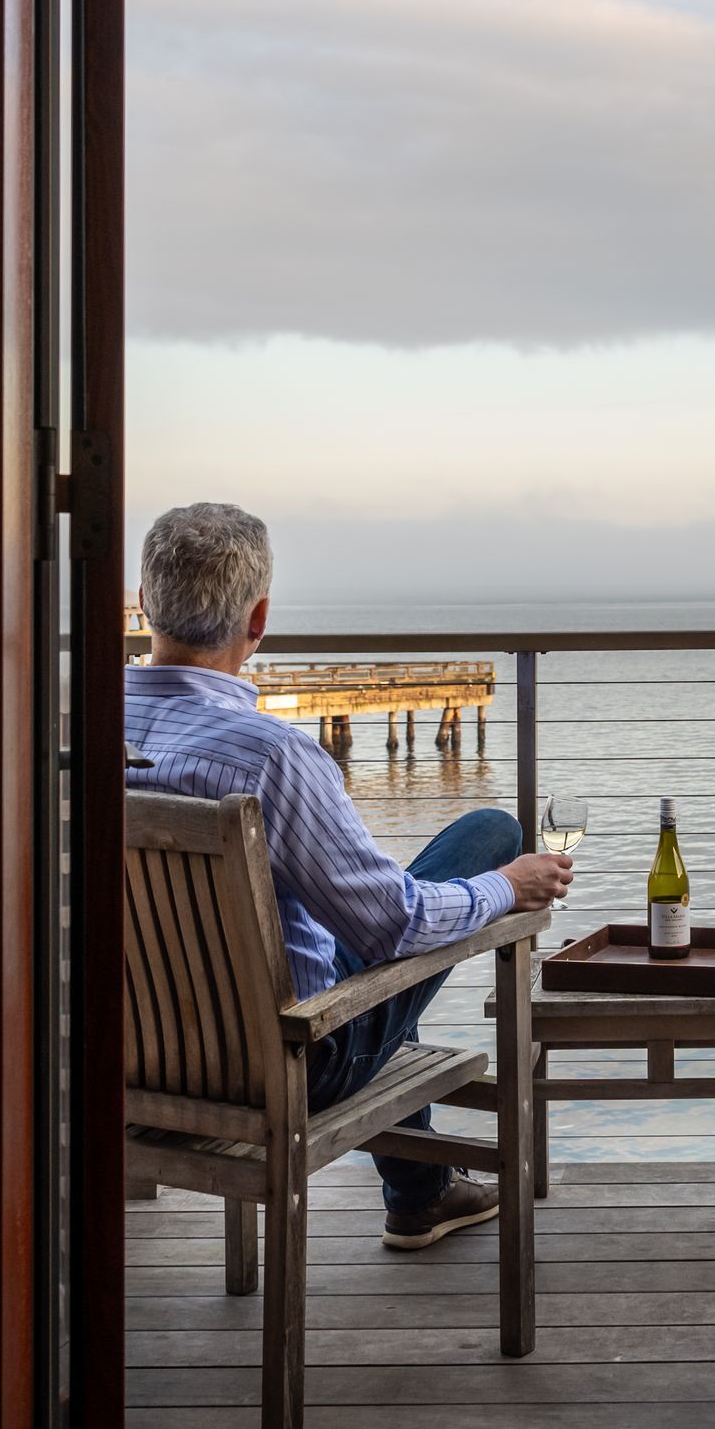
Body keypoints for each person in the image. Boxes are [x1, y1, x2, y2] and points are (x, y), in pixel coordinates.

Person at [123, 502, 572, 1248]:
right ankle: (421, 1192)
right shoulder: (271, 756)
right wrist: (508, 887)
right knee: (487, 839)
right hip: (289, 1062)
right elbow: (391, 927)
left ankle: (421, 1193)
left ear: (145, 606)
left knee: (387, 908)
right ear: (258, 617)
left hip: (125, 1051)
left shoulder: (69, 728)